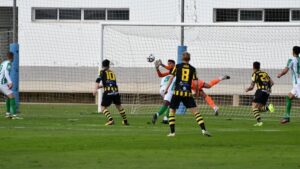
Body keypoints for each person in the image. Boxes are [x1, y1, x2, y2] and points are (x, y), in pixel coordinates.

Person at [164, 52, 211, 137]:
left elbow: (171, 78)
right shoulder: (193, 69)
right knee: (196, 112)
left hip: (177, 93)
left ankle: (172, 132)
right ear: (189, 59)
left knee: (172, 112)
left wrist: (166, 89)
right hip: (187, 94)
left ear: (182, 58)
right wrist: (196, 92)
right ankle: (204, 130)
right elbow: (196, 83)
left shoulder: (177, 66)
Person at [93, 59, 129, 126]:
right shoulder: (112, 72)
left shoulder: (102, 71)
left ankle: (110, 120)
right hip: (115, 91)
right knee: (119, 106)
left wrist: (95, 89)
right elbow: (110, 83)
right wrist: (100, 87)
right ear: (109, 65)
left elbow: (97, 80)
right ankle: (125, 121)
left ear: (103, 65)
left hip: (108, 92)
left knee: (103, 107)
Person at [245, 61, 274, 126]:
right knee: (259, 108)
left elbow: (252, 87)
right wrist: (268, 88)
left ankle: (259, 122)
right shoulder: (265, 73)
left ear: (253, 67)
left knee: (254, 107)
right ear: (259, 66)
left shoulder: (255, 74)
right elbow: (272, 83)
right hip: (267, 92)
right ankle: (268, 108)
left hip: (260, 91)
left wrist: (247, 89)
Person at [277, 46, 300, 124]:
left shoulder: (292, 60)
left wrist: (280, 74)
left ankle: (287, 117)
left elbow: (286, 70)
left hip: (298, 84)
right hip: (297, 84)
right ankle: (286, 117)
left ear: (293, 52)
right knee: (289, 97)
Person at [151, 59, 176, 124]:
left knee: (171, 104)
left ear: (174, 64)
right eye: (168, 63)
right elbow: (160, 75)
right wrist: (157, 69)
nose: (169, 65)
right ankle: (156, 114)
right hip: (167, 89)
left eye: (170, 63)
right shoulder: (173, 73)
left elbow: (162, 74)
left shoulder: (173, 70)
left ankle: (165, 119)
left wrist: (161, 65)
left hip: (162, 89)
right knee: (168, 104)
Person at [0, 52, 18, 119]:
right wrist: (10, 82)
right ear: (12, 57)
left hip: (2, 83)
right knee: (12, 97)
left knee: (8, 96)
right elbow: (6, 73)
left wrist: (6, 82)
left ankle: (8, 114)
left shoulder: (3, 63)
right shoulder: (9, 63)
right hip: (2, 84)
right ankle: (14, 116)